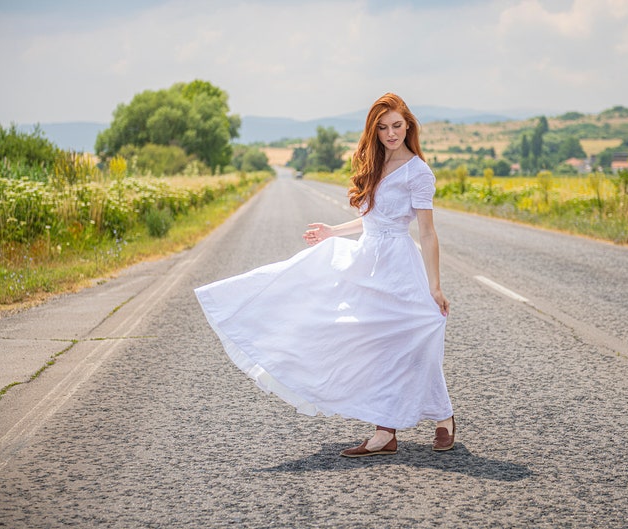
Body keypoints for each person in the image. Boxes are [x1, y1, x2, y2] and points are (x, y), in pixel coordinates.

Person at [194, 93, 455, 457]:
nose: (390, 133)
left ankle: (441, 417)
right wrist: (333, 231)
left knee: (411, 343)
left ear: (408, 125)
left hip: (398, 266)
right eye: (382, 127)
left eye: (397, 125)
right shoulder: (374, 164)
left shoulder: (418, 173)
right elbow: (371, 221)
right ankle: (385, 432)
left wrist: (435, 286)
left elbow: (426, 233)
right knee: (370, 344)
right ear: (374, 131)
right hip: (367, 260)